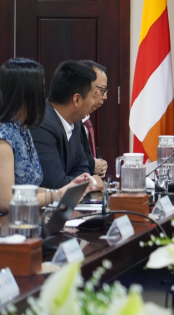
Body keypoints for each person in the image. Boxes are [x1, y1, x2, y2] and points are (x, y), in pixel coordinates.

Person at [0, 58, 93, 213]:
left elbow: (28, 189)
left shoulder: (22, 130)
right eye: (41, 88)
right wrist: (57, 195)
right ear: (28, 93)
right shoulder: (3, 138)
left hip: (26, 218)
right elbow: (6, 201)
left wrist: (68, 189)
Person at [30, 60, 103, 190]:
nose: (94, 102)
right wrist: (93, 182)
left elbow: (83, 167)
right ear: (77, 100)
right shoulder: (41, 124)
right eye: (93, 96)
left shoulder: (75, 123)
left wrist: (80, 180)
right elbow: (55, 185)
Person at [79, 60, 108, 177]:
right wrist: (92, 164)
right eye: (102, 90)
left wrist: (100, 163)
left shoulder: (86, 121)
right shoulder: (71, 120)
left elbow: (89, 152)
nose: (105, 97)